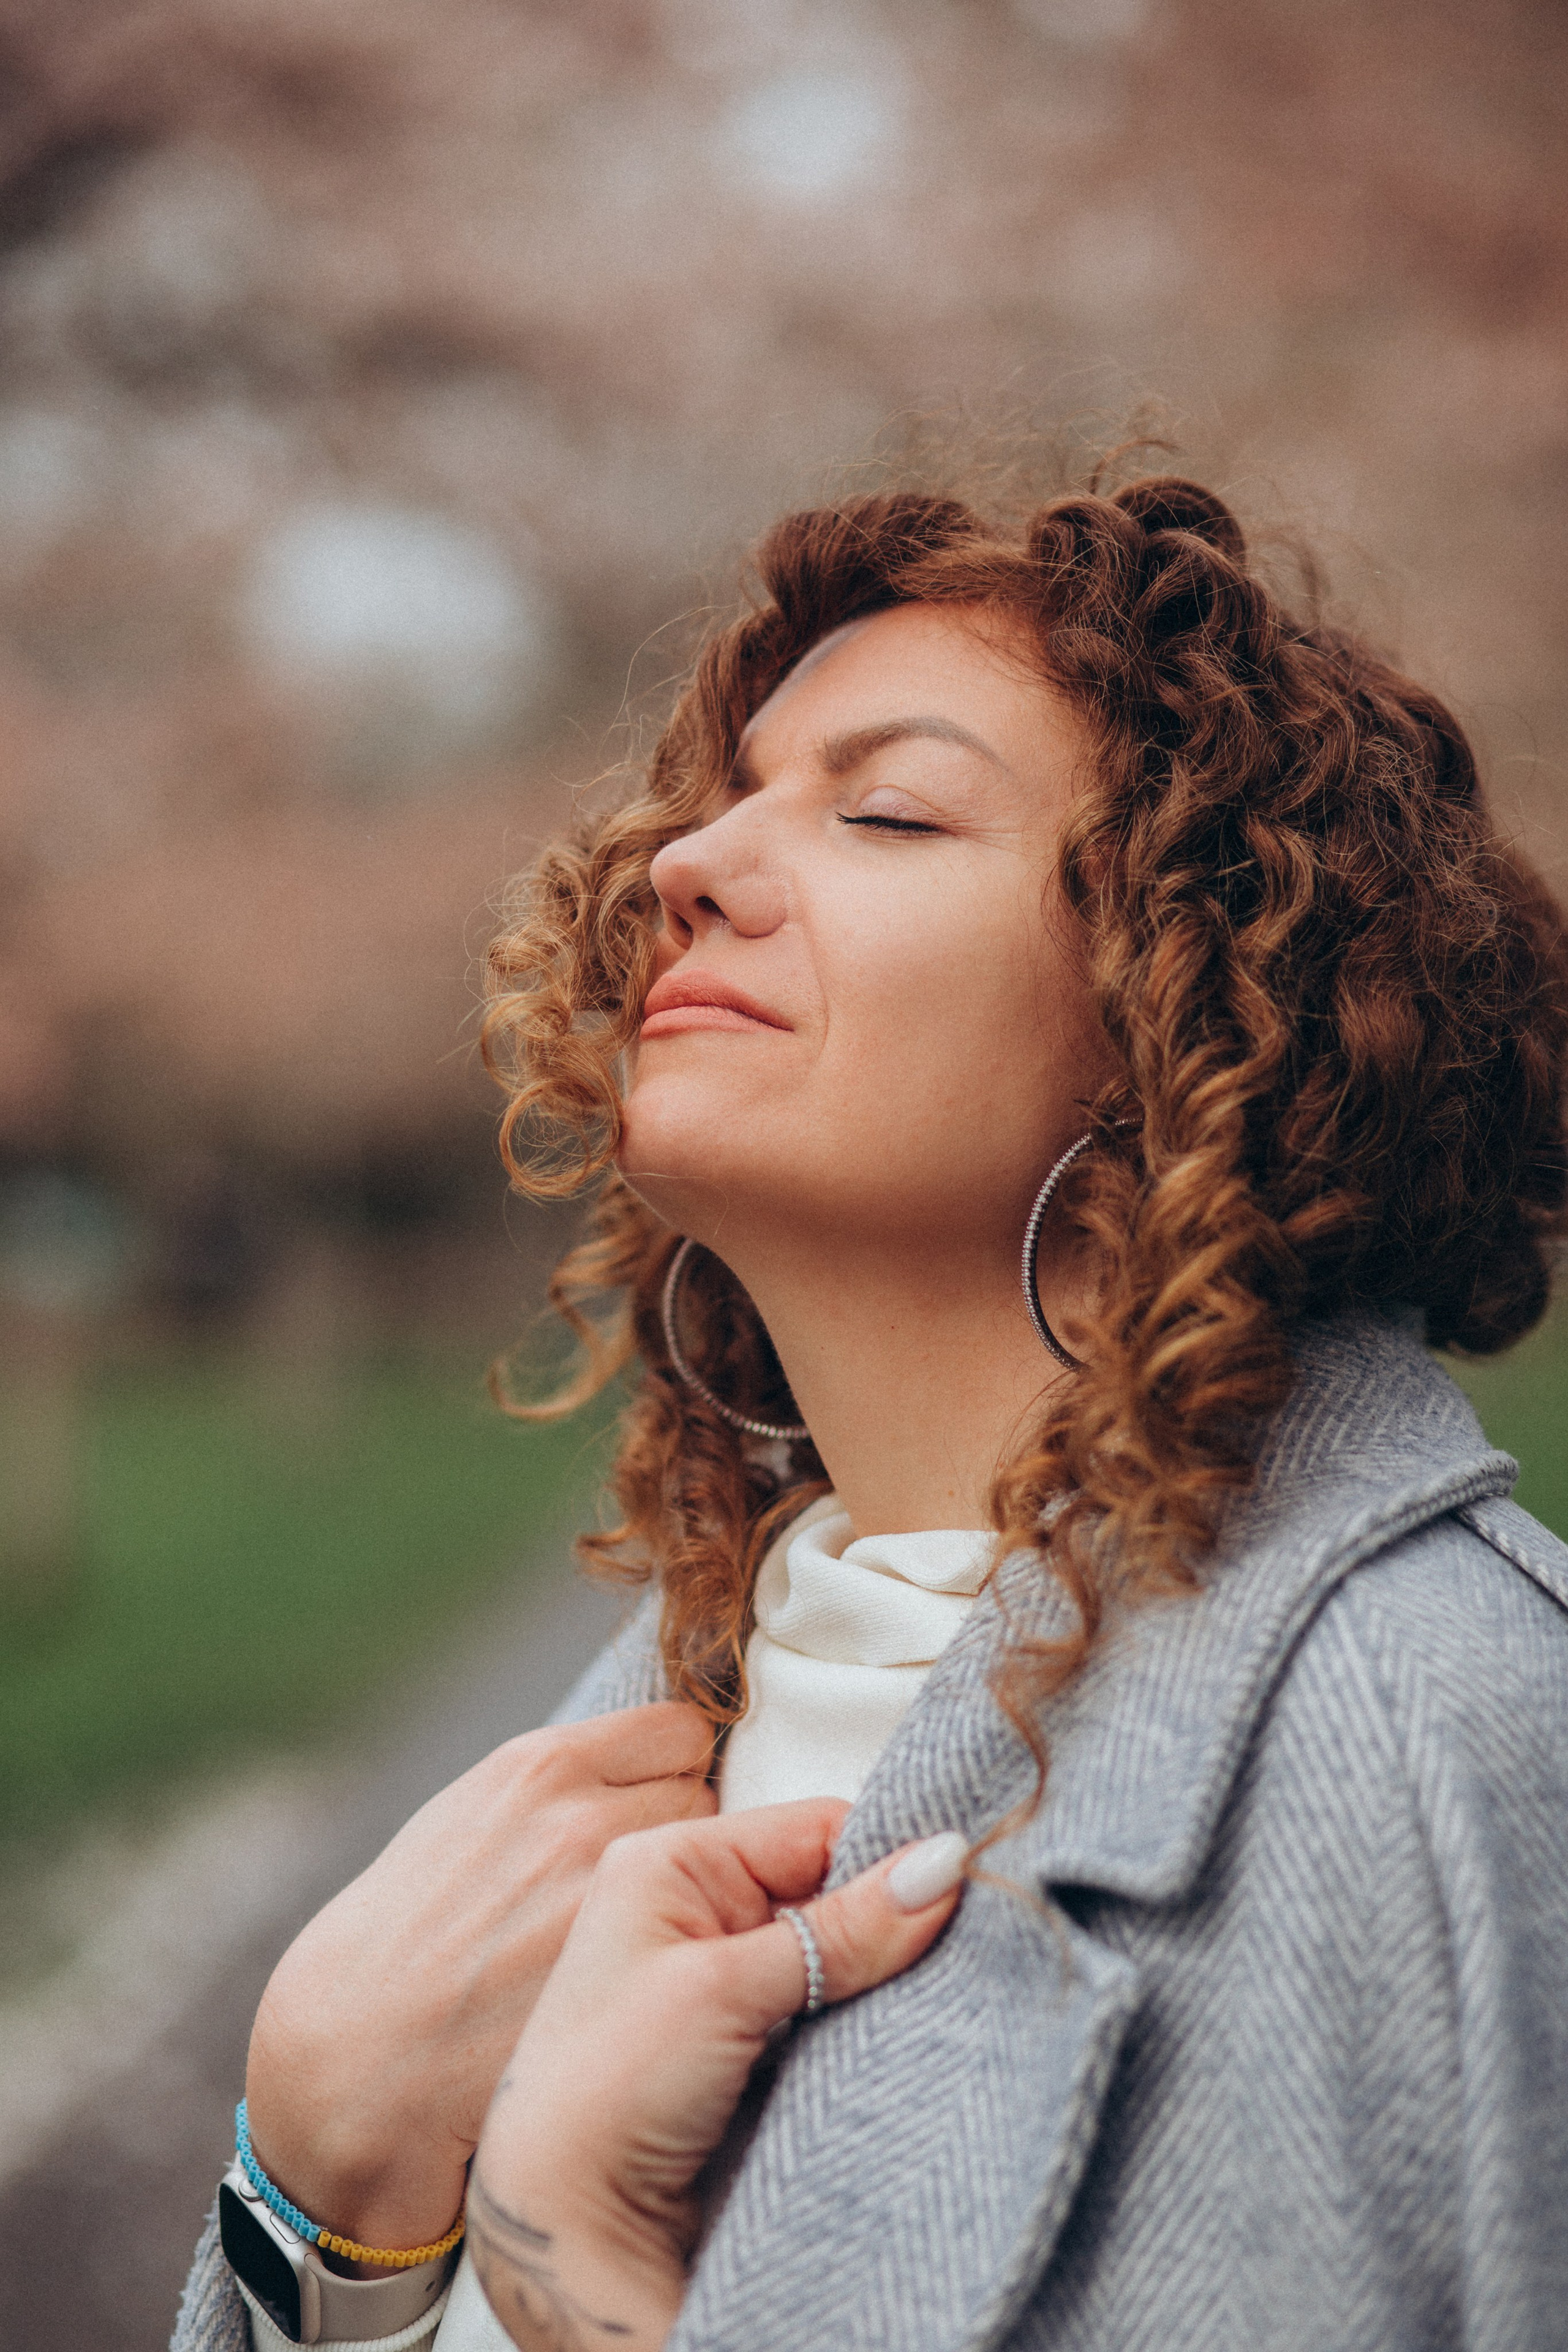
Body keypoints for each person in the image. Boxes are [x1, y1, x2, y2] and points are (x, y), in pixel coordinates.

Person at [175, 470, 1568, 2352]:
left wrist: (566, 2270)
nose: (688, 865)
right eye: (729, 796)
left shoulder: (1442, 1736)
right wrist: (324, 2207)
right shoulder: (671, 1691)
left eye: (890, 808)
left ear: (1193, 1007)